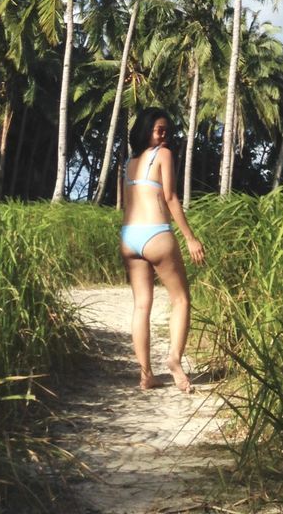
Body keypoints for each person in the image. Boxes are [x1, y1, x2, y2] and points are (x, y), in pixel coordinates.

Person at [120, 107, 205, 392]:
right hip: (156, 234)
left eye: (167, 130)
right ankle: (174, 361)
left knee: (141, 305)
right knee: (180, 299)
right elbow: (170, 198)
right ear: (146, 130)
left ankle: (146, 375)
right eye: (159, 130)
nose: (165, 135)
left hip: (129, 236)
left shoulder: (128, 162)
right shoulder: (163, 155)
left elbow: (126, 202)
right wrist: (190, 237)